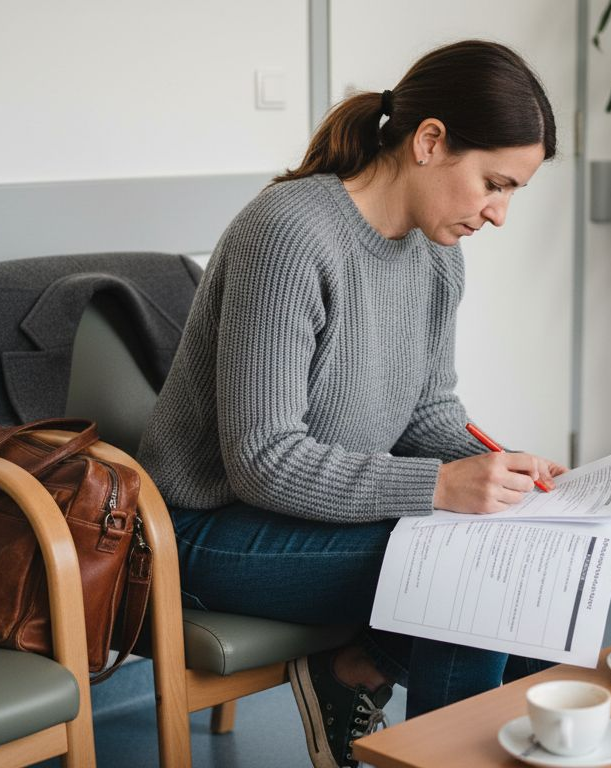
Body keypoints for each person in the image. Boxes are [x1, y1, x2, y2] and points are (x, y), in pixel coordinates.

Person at [138, 39, 562, 768]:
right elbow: (262, 461)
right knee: (476, 571)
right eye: (495, 183)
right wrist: (438, 486)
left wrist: (503, 471)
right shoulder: (291, 232)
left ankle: (363, 678)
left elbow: (429, 412)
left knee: (529, 545)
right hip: (202, 533)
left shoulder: (437, 256)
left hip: (308, 520)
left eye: (513, 191)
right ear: (430, 141)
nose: (499, 214)